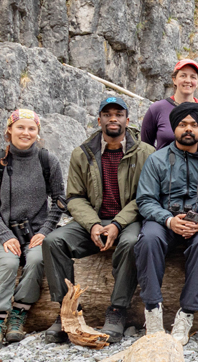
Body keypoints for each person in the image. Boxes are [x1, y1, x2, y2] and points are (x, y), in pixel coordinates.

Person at [42, 96, 154, 343]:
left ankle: (117, 310)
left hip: (127, 220)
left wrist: (116, 224)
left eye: (118, 114)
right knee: (53, 242)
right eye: (107, 114)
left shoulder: (145, 153)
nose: (113, 119)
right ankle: (66, 310)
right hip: (92, 219)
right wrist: (93, 224)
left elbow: (145, 197)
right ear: (99, 119)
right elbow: (74, 197)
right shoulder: (82, 154)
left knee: (131, 243)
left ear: (127, 119)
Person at [134, 101, 198, 346]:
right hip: (164, 220)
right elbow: (146, 199)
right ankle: (152, 310)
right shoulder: (156, 160)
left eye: (194, 124)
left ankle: (186, 314)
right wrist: (169, 220)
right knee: (148, 239)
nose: (188, 129)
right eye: (183, 124)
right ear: (174, 128)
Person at [0, 109, 64, 349]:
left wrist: (45, 231)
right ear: (9, 130)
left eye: (31, 128)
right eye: (20, 127)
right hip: (3, 233)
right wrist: (4, 235)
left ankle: (19, 314)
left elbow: (59, 202)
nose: (26, 133)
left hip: (36, 233)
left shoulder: (48, 161)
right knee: (9, 262)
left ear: (37, 133)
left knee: (36, 260)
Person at [140, 59, 198, 152]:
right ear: (174, 79)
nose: (188, 80)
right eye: (183, 75)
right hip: (164, 166)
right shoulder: (156, 109)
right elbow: (145, 148)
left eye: (193, 77)